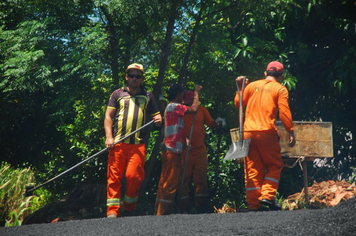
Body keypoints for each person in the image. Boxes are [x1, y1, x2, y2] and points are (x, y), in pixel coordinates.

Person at [234, 61, 295, 211]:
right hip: (266, 132)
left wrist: (241, 88)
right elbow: (284, 112)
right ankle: (267, 196)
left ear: (265, 73)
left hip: (248, 132)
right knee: (274, 165)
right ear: (281, 76)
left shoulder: (252, 86)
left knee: (252, 168)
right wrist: (290, 130)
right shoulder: (280, 89)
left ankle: (254, 205)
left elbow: (238, 103)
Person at [104, 63, 162, 218]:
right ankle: (112, 211)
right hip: (118, 144)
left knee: (133, 177)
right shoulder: (117, 94)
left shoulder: (148, 96)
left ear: (142, 79)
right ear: (126, 76)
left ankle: (129, 207)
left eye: (138, 76)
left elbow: (157, 117)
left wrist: (158, 119)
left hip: (138, 145)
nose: (134, 79)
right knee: (114, 177)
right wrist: (109, 137)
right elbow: (108, 117)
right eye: (131, 75)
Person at [155, 84, 202, 215]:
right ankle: (163, 213)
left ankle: (159, 211)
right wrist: (196, 93)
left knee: (166, 181)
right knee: (170, 183)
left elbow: (177, 128)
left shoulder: (170, 108)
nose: (183, 96)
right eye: (182, 93)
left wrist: (185, 141)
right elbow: (194, 109)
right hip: (172, 150)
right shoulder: (175, 107)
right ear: (178, 94)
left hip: (172, 149)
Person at [179, 90, 226, 213]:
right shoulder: (180, 110)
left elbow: (211, 124)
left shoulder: (202, 110)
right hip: (184, 151)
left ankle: (201, 207)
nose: (187, 105)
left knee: (201, 179)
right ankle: (183, 208)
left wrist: (218, 123)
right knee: (184, 179)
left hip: (199, 151)